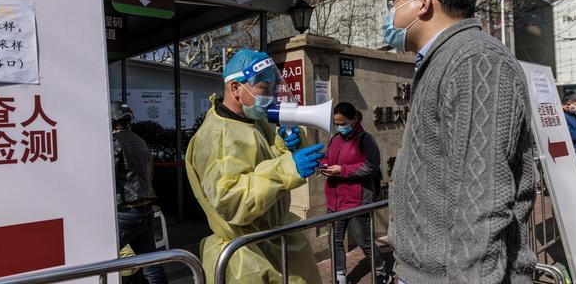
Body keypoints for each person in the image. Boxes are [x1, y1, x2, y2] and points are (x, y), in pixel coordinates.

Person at [384, 0, 536, 283]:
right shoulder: (442, 61)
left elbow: (483, 199)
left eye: (393, 1)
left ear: (423, 2)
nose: (390, 13)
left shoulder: (476, 61)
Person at [185, 49, 325, 284]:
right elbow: (231, 200)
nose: (269, 95)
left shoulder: (255, 122)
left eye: (271, 88)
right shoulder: (215, 136)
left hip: (274, 241)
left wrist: (286, 143)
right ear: (236, 89)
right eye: (264, 88)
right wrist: (286, 168)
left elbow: (267, 160)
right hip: (246, 257)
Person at [320, 102, 391, 284]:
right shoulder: (334, 139)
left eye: (342, 123)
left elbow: (370, 166)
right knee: (334, 241)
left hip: (357, 201)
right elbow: (330, 158)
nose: (339, 127)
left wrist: (341, 170)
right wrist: (324, 165)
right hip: (334, 201)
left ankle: (382, 272)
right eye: (336, 123)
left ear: (354, 119)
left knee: (363, 240)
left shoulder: (365, 140)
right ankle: (340, 277)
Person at [112, 102, 168, 284]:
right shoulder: (140, 141)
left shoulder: (114, 142)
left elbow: (109, 178)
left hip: (125, 212)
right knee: (152, 265)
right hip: (145, 209)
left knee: (100, 260)